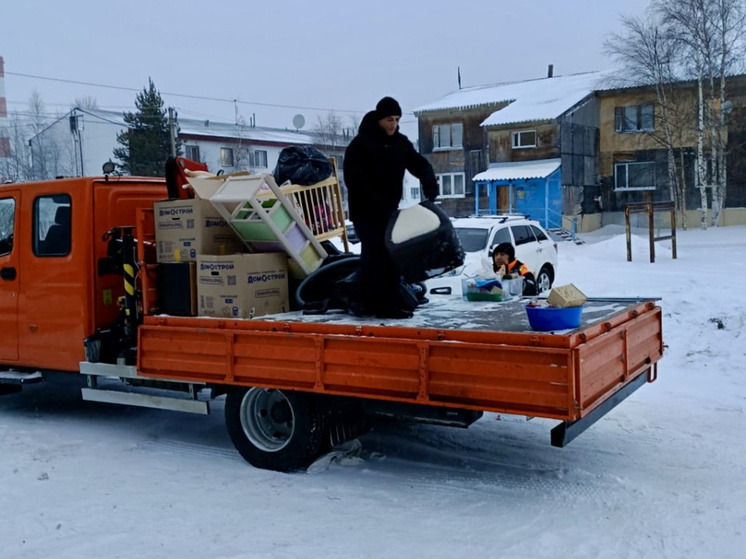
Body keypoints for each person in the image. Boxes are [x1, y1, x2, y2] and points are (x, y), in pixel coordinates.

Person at [341, 96, 439, 319]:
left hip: (389, 212)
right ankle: (369, 303)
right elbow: (356, 182)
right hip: (365, 212)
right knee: (375, 254)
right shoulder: (361, 145)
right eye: (389, 119)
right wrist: (379, 205)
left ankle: (389, 303)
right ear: (379, 119)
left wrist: (430, 186)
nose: (393, 124)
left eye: (396, 120)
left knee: (393, 256)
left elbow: (419, 164)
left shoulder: (400, 144)